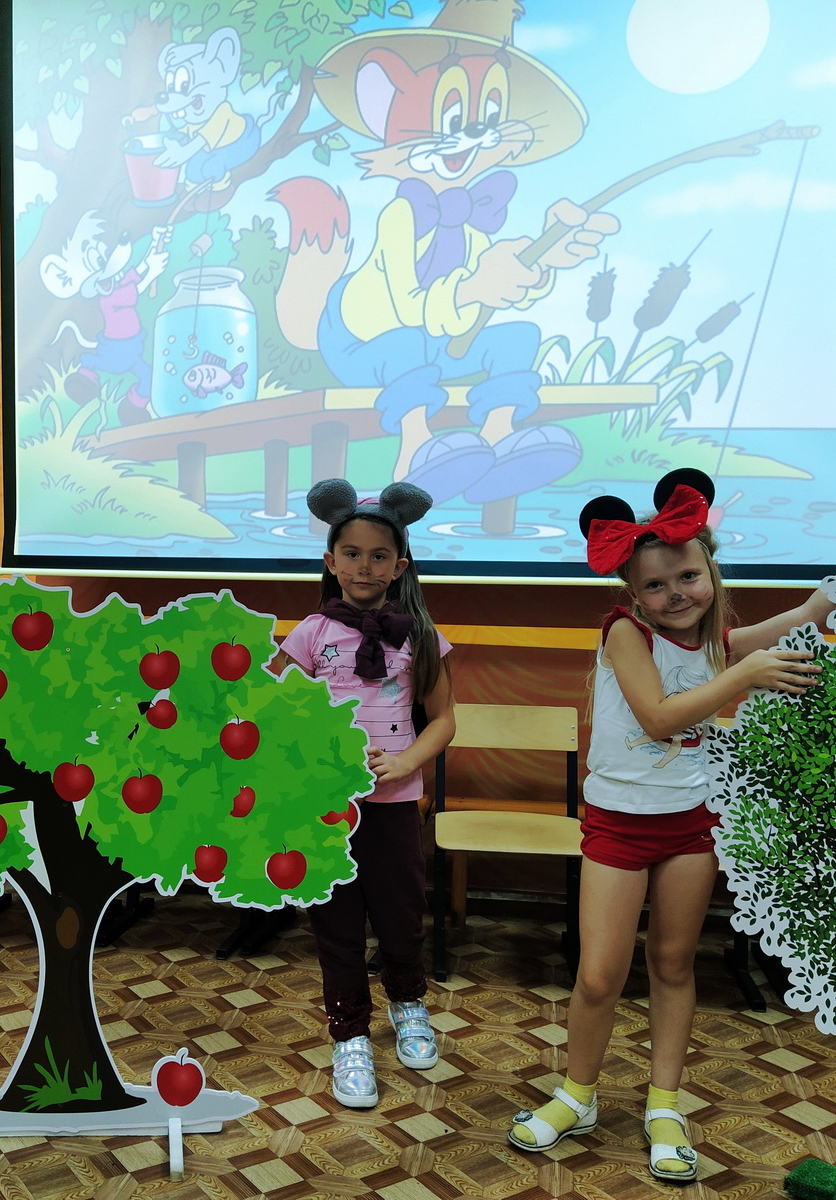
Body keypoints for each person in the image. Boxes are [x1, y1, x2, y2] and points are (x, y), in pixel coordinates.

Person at [509, 468, 831, 1182]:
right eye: (655, 585)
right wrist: (743, 677)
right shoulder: (625, 632)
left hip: (692, 825)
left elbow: (750, 640)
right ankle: (577, 1095)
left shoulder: (712, 638)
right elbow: (659, 717)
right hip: (618, 827)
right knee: (599, 976)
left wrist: (818, 605)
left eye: (688, 576)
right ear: (633, 593)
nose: (675, 594)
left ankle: (663, 1105)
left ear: (710, 571)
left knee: (674, 964)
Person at [278, 478, 456, 1108]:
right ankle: (349, 1033)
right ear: (331, 562)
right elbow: (277, 714)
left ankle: (408, 1005)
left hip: (393, 804)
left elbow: (444, 720)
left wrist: (405, 761)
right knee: (335, 921)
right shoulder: (309, 634)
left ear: (400, 566)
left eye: (379, 556)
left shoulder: (421, 635)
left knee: (402, 914)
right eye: (351, 553)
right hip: (326, 807)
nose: (364, 566)